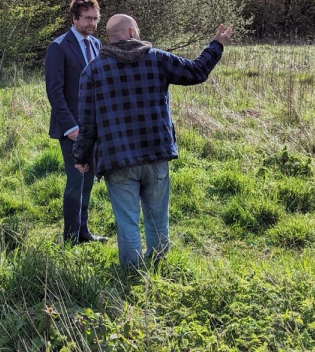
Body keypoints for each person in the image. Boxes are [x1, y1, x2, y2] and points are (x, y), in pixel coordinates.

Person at [73, 15, 232, 267]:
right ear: (133, 31)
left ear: (111, 37)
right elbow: (197, 71)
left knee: (127, 222)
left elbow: (87, 122)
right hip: (156, 152)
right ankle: (158, 266)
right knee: (158, 218)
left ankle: (131, 274)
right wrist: (216, 44)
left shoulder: (92, 70)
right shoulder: (157, 58)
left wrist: (81, 157)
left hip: (117, 158)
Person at [44, 0, 108, 244]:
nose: (92, 23)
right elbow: (55, 92)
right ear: (74, 18)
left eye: (95, 18)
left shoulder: (97, 44)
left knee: (88, 180)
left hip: (94, 127)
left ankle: (84, 232)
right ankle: (70, 237)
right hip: (71, 128)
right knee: (76, 180)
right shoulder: (58, 47)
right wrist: (71, 127)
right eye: (87, 18)